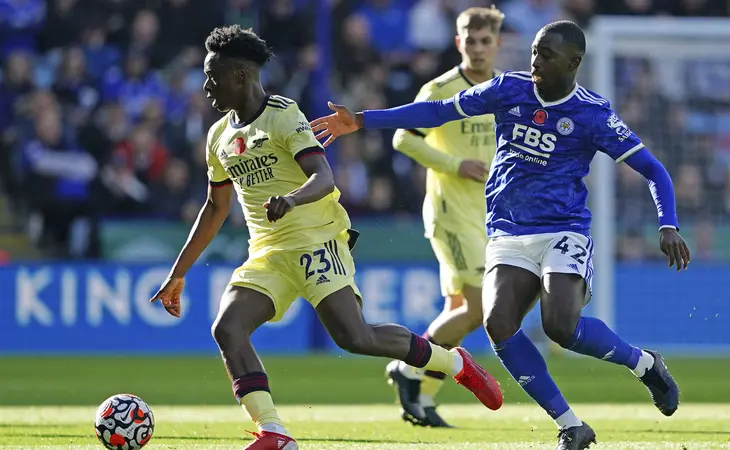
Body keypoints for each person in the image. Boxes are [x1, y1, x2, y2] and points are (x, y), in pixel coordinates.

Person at [310, 20, 690, 450]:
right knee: (498, 323)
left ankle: (644, 364)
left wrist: (668, 223)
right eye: (534, 51)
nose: (535, 61)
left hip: (562, 229)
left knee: (560, 327)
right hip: (508, 231)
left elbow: (654, 170)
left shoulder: (592, 113)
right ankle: (570, 425)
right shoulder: (509, 89)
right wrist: (360, 120)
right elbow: (439, 111)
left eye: (546, 55)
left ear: (573, 62)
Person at [149, 25, 503, 450]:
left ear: (240, 75)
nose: (206, 87)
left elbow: (323, 175)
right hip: (267, 254)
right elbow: (215, 208)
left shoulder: (283, 115)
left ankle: (453, 361)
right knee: (228, 328)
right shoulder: (218, 137)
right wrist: (177, 274)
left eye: (213, 76)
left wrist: (292, 199)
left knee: (356, 338)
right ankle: (273, 431)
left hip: (317, 240)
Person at [384, 6, 502, 428]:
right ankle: (410, 369)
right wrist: (454, 164)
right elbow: (402, 138)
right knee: (477, 309)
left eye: (485, 41)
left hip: (490, 216)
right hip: (451, 212)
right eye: (470, 40)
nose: (477, 48)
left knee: (459, 310)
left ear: (497, 44)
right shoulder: (440, 88)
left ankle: (423, 398)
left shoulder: (506, 90)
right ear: (458, 43)